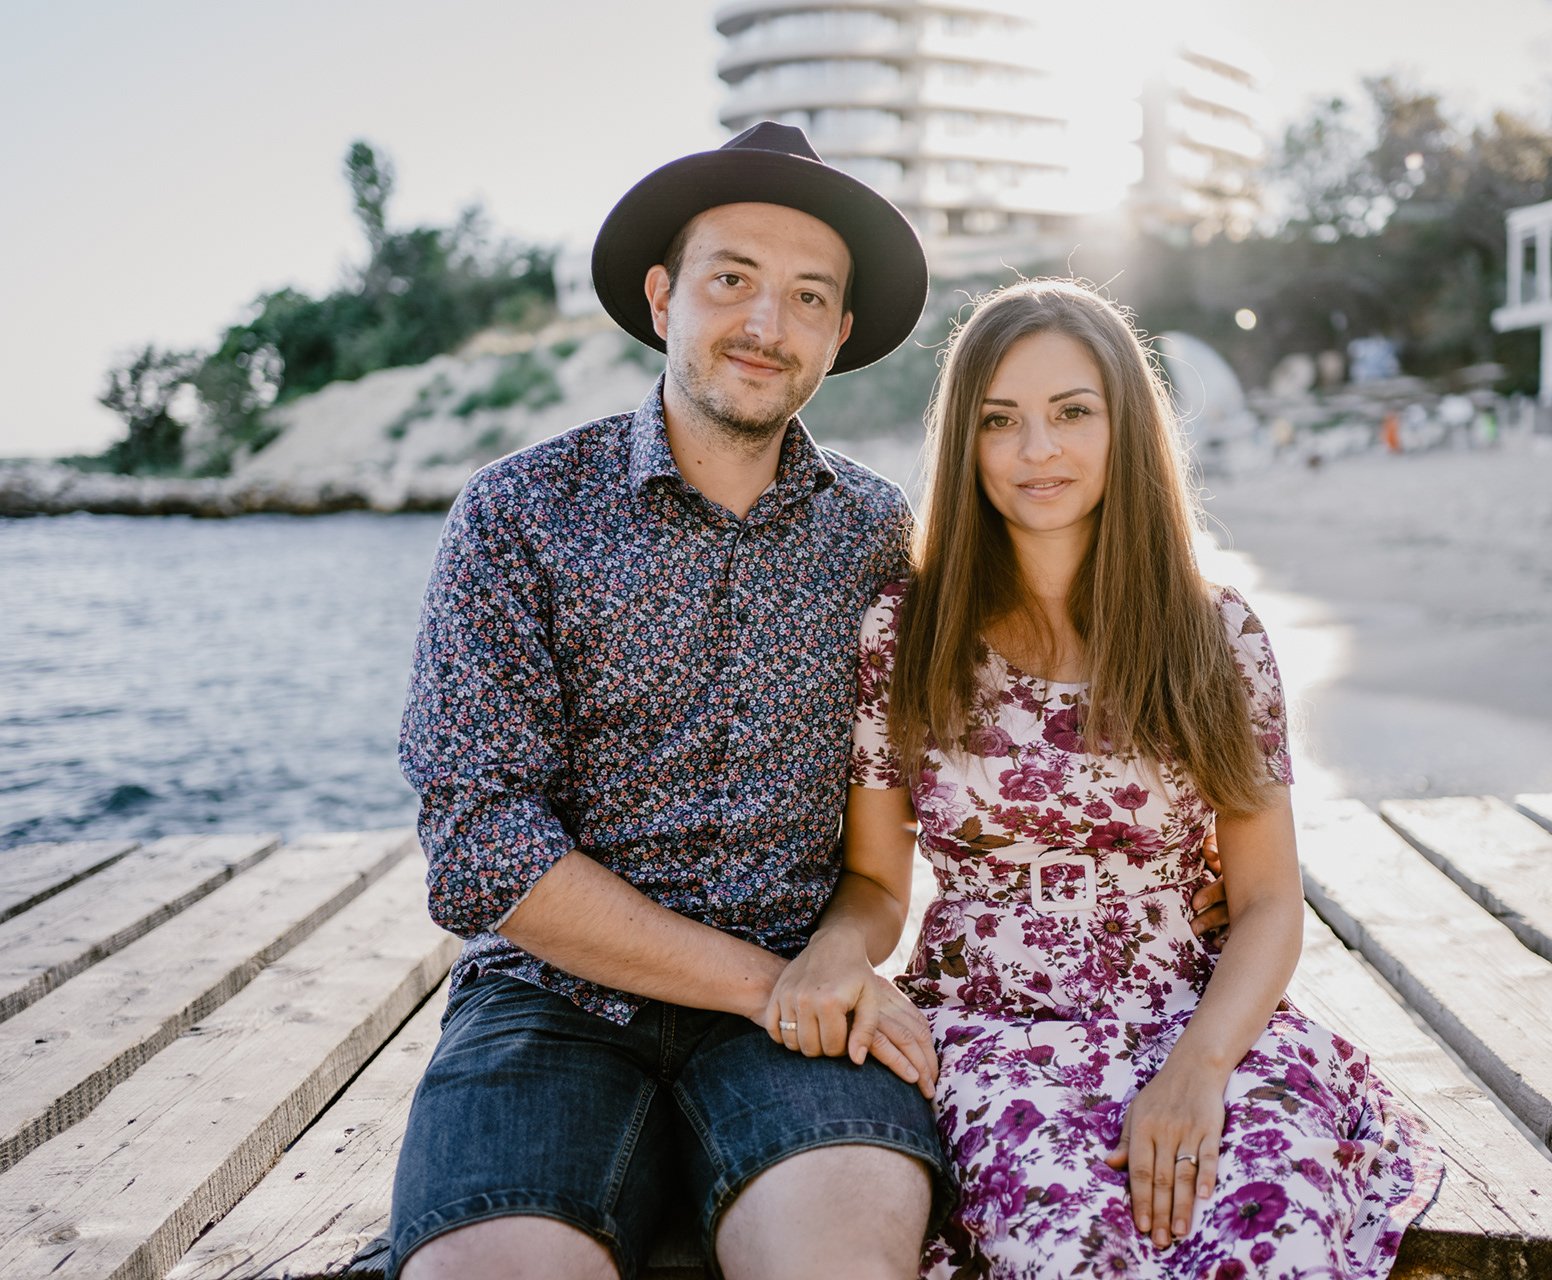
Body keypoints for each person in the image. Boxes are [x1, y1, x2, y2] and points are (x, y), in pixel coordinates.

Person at [391, 126, 1233, 1280]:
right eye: (731, 279)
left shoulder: (881, 537)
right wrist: (768, 984)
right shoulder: (520, 513)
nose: (765, 323)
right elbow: (479, 849)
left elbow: (988, 742)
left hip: (806, 1004)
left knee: (844, 1257)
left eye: (807, 296)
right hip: (556, 1002)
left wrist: (1161, 857)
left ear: (839, 333)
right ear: (662, 296)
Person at [799, 279, 1444, 1278]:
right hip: (996, 1031)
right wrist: (835, 951)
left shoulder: (1214, 632)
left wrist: (1198, 1070)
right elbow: (879, 885)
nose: (1037, 450)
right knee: (1073, 1254)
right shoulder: (906, 629)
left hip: (1200, 1016)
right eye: (999, 420)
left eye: (1072, 413)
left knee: (1274, 1242)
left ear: (1126, 426)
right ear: (965, 442)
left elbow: (1269, 901)